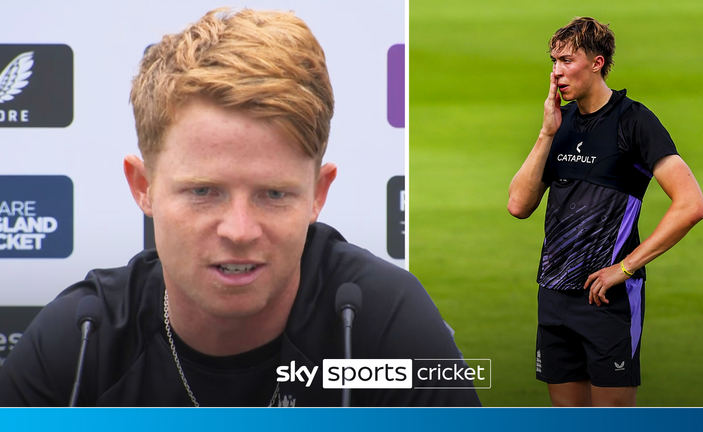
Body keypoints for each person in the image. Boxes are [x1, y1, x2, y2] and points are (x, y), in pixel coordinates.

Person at [0, 8, 480, 407]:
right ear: (143, 185)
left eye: (274, 194)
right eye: (203, 191)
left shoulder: (383, 328)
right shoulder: (81, 342)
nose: (240, 229)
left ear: (318, 193)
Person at [507, 17, 703, 407]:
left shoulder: (633, 121)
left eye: (567, 60)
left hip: (606, 299)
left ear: (597, 63)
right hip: (553, 294)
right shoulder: (560, 124)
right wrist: (547, 133)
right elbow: (518, 205)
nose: (557, 72)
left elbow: (690, 204)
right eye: (553, 61)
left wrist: (627, 267)